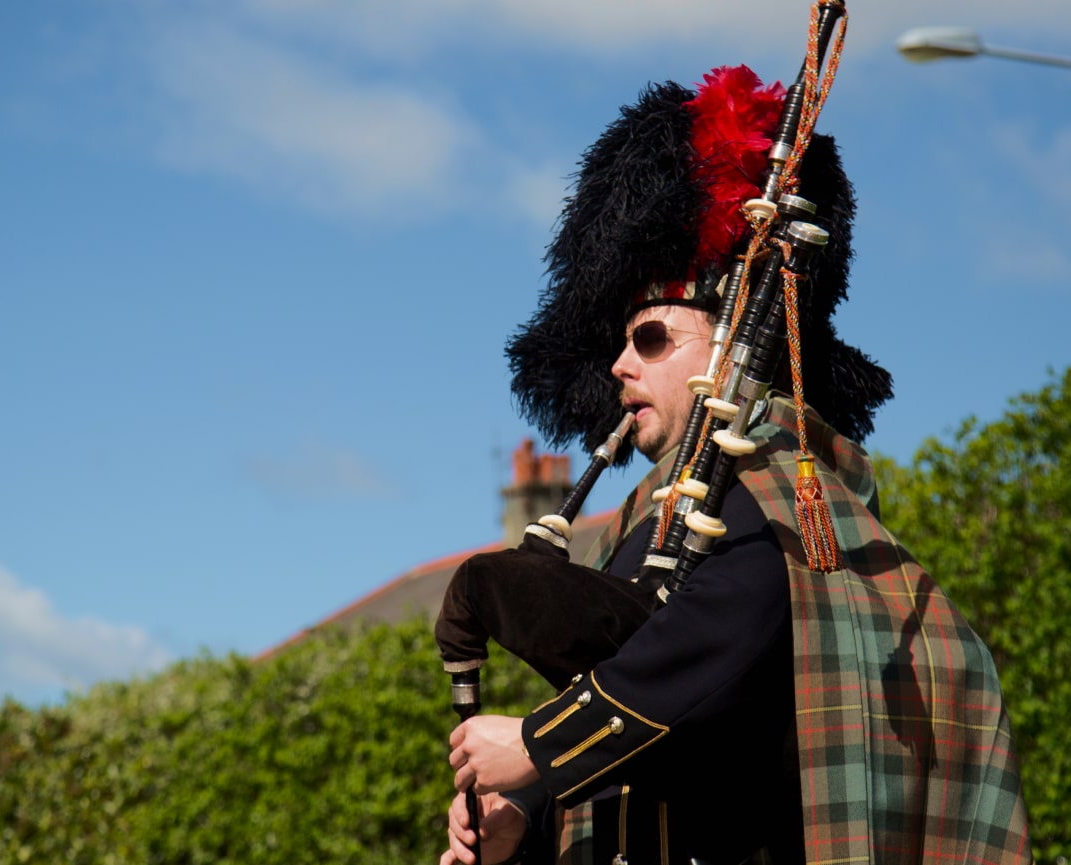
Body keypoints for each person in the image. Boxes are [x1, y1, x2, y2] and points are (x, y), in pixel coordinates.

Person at [438, 64, 1032, 865]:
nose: (619, 364)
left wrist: (542, 743)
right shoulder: (648, 517)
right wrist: (529, 818)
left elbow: (710, 653)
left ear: (725, 350)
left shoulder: (777, 490)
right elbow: (651, 759)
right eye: (620, 340)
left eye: (650, 337)